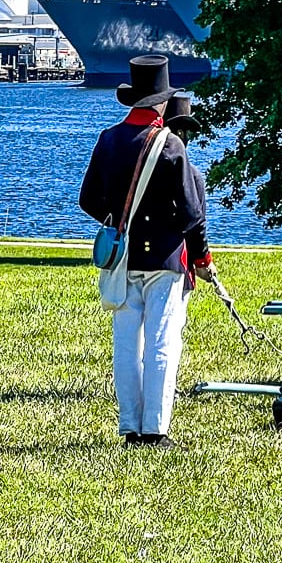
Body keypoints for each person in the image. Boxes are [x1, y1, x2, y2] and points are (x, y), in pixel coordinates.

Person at [79, 55, 215, 447]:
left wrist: (120, 218)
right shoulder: (171, 145)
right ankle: (155, 429)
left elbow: (89, 200)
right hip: (166, 260)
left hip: (125, 260)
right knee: (162, 343)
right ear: (160, 101)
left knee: (126, 345)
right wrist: (202, 258)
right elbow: (192, 213)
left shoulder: (108, 139)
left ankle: (129, 427)